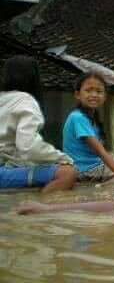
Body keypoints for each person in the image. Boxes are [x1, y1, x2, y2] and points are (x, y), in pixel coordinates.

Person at [0, 55, 76, 192]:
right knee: (67, 173)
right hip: (2, 172)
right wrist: (63, 158)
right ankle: (40, 208)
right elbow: (29, 147)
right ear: (34, 77)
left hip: (6, 167)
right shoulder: (26, 101)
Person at [63, 73, 114, 186]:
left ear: (105, 96)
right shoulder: (78, 118)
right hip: (85, 170)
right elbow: (101, 152)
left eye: (98, 91)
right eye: (88, 90)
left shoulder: (90, 117)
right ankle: (106, 186)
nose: (94, 95)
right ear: (78, 95)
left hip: (93, 164)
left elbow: (100, 153)